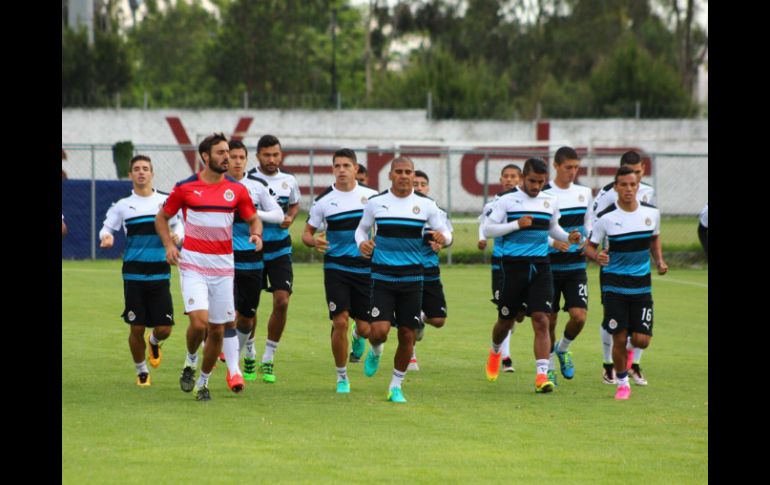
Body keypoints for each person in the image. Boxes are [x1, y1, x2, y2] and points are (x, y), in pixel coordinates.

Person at [155, 133, 263, 401]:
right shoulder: (185, 187)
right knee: (199, 322)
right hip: (193, 264)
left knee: (218, 328)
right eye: (221, 152)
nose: (227, 157)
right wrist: (169, 245)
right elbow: (162, 217)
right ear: (205, 156)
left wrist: (256, 234)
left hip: (223, 268)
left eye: (228, 152)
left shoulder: (237, 190)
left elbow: (253, 218)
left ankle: (203, 383)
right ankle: (191, 359)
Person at [355, 157, 452, 403]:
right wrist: (361, 243)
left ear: (413, 174)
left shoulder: (426, 205)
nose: (404, 176)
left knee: (408, 334)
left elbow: (445, 232)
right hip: (382, 276)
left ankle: (395, 386)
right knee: (379, 332)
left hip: (412, 278)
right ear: (390, 175)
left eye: (408, 172)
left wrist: (444, 239)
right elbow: (362, 229)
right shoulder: (376, 203)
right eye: (398, 171)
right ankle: (375, 350)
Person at [482, 158, 581, 393]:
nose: (536, 186)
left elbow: (552, 228)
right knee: (506, 321)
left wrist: (568, 236)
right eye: (532, 181)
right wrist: (516, 224)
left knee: (541, 319)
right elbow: (488, 229)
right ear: (523, 178)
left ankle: (541, 376)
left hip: (540, 267)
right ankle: (495, 351)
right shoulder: (506, 200)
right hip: (513, 267)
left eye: (541, 182)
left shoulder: (550, 200)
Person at [98, 155, 184, 387]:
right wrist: (106, 237)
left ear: (152, 173)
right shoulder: (123, 205)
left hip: (160, 272)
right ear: (130, 175)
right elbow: (106, 228)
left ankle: (153, 341)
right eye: (136, 169)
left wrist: (178, 235)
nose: (141, 172)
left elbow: (179, 224)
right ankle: (142, 371)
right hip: (134, 272)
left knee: (164, 329)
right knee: (136, 326)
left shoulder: (165, 201)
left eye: (145, 168)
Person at [583, 165, 667, 400]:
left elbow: (654, 238)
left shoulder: (651, 213)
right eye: (624, 185)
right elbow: (589, 247)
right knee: (619, 337)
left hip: (641, 285)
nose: (629, 189)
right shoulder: (606, 217)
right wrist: (597, 256)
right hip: (614, 286)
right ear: (616, 187)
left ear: (638, 186)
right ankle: (622, 383)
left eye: (633, 184)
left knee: (642, 340)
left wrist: (659, 260)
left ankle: (625, 354)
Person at [302, 149, 378, 393]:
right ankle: (342, 377)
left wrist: (376, 244)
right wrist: (314, 241)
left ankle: (358, 336)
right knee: (340, 321)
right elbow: (306, 233)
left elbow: (383, 228)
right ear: (332, 169)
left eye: (347, 165)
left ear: (356, 168)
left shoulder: (372, 197)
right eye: (337, 166)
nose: (342, 170)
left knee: (366, 328)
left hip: (365, 268)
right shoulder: (324, 201)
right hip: (336, 268)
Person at [224, 140, 284, 382]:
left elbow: (278, 214)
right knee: (227, 312)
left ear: (247, 160)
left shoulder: (257, 186)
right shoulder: (215, 185)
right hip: (222, 257)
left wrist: (251, 212)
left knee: (247, 317)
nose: (237, 162)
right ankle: (229, 364)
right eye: (232, 157)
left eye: (241, 157)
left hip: (252, 259)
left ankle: (236, 354)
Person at [246, 135, 301, 383]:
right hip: (253, 249)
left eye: (275, 154)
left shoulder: (289, 181)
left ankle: (268, 357)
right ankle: (249, 352)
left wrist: (290, 217)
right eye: (266, 155)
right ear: (258, 156)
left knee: (282, 301)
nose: (271, 159)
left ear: (281, 155)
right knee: (250, 306)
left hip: (280, 250)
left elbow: (294, 205)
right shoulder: (247, 180)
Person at [542, 147, 593, 386]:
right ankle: (550, 367)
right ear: (556, 166)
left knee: (579, 317)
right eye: (568, 167)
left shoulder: (584, 193)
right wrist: (554, 242)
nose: (573, 172)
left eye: (576, 167)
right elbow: (537, 230)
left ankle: (563, 348)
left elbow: (589, 223)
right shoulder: (544, 193)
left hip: (576, 266)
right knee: (549, 321)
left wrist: (586, 240)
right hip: (549, 267)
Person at [477, 164, 523, 373]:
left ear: (520, 179)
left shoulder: (525, 204)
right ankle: (505, 358)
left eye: (513, 176)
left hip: (522, 262)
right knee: (505, 314)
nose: (509, 179)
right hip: (501, 264)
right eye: (506, 176)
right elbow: (484, 224)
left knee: (518, 315)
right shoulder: (493, 204)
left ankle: (502, 346)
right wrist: (482, 238)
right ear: (501, 179)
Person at [408, 170, 453, 371]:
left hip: (430, 271)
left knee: (439, 320)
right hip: (408, 270)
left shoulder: (437, 211)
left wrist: (442, 242)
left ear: (428, 187)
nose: (419, 187)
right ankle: (411, 356)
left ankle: (422, 318)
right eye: (415, 183)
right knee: (409, 316)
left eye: (422, 184)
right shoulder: (402, 210)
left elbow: (448, 237)